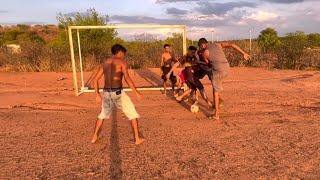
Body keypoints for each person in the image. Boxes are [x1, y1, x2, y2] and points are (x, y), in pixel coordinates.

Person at [91, 44, 145, 145]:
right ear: (120, 52)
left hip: (106, 93)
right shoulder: (122, 62)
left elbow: (95, 79)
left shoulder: (105, 63)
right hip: (118, 93)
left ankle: (94, 137)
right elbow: (127, 78)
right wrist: (136, 92)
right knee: (133, 114)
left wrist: (97, 94)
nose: (124, 55)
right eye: (123, 53)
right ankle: (137, 139)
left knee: (102, 115)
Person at [198, 38, 250, 120]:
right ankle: (219, 101)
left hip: (219, 71)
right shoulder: (217, 44)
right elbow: (232, 44)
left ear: (202, 45)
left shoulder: (205, 52)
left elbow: (208, 64)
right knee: (215, 84)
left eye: (200, 47)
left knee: (215, 91)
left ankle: (216, 114)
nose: (201, 48)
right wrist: (243, 53)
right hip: (227, 68)